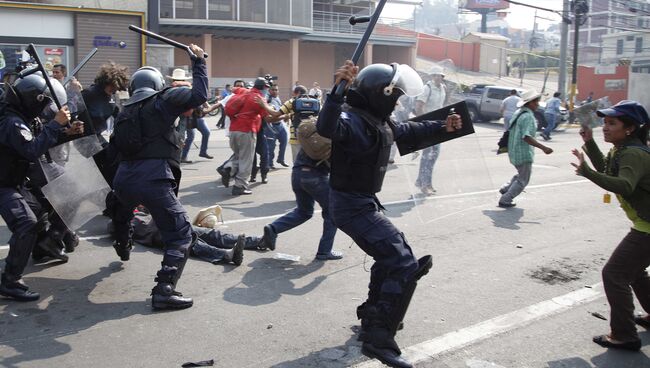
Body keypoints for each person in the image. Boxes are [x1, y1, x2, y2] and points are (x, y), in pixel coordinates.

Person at [316, 60, 463, 368]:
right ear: (380, 94)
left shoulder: (378, 119)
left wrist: (443, 126)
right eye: (394, 96)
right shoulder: (352, 120)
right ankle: (378, 338)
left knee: (390, 258)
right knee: (402, 260)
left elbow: (408, 130)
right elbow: (327, 127)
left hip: (363, 202)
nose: (397, 102)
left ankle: (373, 319)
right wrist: (337, 91)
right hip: (350, 206)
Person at [110, 43, 208, 310]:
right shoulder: (163, 100)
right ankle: (164, 289)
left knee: (122, 213)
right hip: (154, 179)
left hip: (123, 179)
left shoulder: (124, 112)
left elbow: (112, 151)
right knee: (180, 235)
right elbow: (199, 96)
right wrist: (198, 62)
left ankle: (123, 245)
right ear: (156, 83)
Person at [570, 100, 650, 352]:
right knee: (634, 272)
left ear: (629, 128)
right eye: (604, 122)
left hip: (648, 228)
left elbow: (624, 184)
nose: (605, 127)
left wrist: (586, 172)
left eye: (611, 123)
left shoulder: (633, 153)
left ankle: (624, 335)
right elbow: (608, 169)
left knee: (614, 274)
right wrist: (590, 142)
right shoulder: (623, 148)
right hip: (644, 222)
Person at [0, 73, 71, 301]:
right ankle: (10, 282)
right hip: (3, 185)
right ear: (34, 100)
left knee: (40, 213)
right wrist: (55, 124)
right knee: (26, 223)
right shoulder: (12, 122)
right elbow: (31, 149)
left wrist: (64, 131)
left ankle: (41, 249)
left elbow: (39, 141)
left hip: (14, 181)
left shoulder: (21, 118)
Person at [258, 134, 342, 261]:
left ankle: (273, 228)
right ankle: (324, 251)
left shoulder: (316, 132)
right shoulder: (338, 137)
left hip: (297, 174)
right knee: (332, 212)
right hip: (316, 177)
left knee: (304, 212)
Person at [498, 89, 553, 208]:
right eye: (536, 102)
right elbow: (526, 137)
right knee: (523, 179)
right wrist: (544, 148)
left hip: (514, 151)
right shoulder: (528, 116)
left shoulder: (519, 112)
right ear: (530, 103)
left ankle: (506, 188)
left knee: (521, 174)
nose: (538, 104)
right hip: (523, 153)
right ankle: (506, 199)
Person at [228, 77, 270, 195]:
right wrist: (283, 115)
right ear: (262, 87)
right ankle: (239, 186)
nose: (267, 90)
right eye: (266, 88)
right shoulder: (259, 98)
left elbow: (234, 89)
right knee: (246, 160)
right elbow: (269, 117)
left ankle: (228, 168)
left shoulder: (244, 92)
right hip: (246, 130)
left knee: (238, 156)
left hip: (234, 129)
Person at [166, 69, 213, 163]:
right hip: (186, 115)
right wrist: (207, 106)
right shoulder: (183, 88)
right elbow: (199, 97)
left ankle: (183, 157)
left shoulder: (171, 89)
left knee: (195, 134)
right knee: (188, 136)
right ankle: (181, 157)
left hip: (190, 115)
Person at [414, 67, 446, 196]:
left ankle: (424, 182)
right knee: (428, 156)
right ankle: (424, 184)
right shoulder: (427, 88)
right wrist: (424, 123)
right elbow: (418, 106)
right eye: (436, 75)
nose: (438, 77)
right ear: (432, 76)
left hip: (438, 125)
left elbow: (442, 105)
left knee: (434, 155)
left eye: (441, 76)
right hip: (429, 125)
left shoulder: (443, 88)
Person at [265, 85, 289, 168]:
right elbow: (270, 117)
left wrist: (286, 115)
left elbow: (281, 110)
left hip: (280, 125)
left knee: (284, 141)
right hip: (271, 126)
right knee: (271, 146)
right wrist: (284, 116)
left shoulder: (277, 98)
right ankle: (270, 163)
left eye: (276, 90)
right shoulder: (268, 99)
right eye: (273, 90)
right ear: (269, 90)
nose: (275, 91)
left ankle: (281, 159)